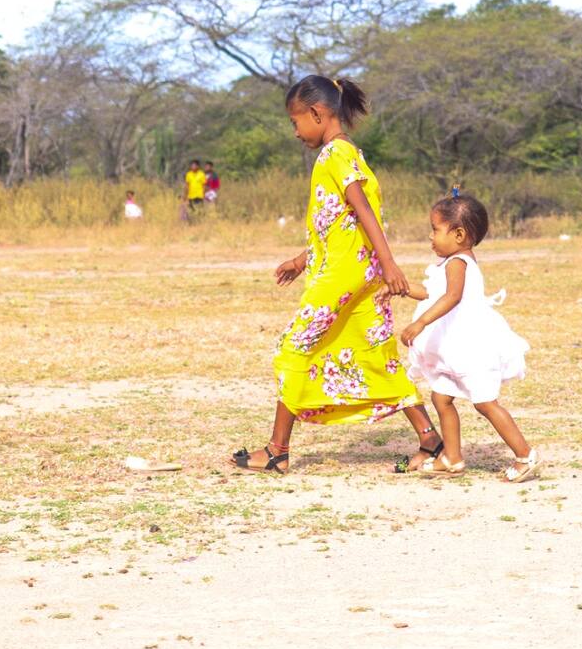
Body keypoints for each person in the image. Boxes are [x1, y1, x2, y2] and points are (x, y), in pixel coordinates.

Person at [229, 75, 443, 473]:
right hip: (363, 273)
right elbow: (339, 224)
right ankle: (430, 439)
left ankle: (277, 450)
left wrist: (391, 263)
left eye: (295, 121)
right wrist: (302, 260)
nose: (295, 132)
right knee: (375, 353)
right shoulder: (351, 152)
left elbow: (363, 209)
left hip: (343, 277)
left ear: (316, 113)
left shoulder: (333, 155)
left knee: (293, 349)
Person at [386, 193, 538, 482]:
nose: (430, 236)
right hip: (455, 348)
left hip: (471, 348)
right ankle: (452, 458)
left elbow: (452, 297)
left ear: (458, 235)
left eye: (435, 229)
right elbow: (430, 293)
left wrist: (420, 322)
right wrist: (399, 288)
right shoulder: (450, 263)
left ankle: (525, 455)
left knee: (485, 403)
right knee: (441, 397)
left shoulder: (458, 263)